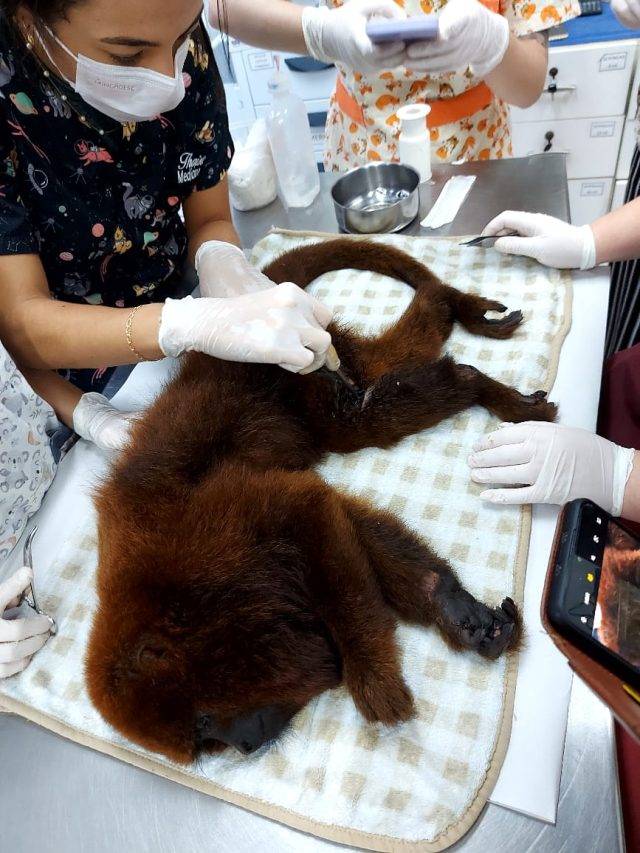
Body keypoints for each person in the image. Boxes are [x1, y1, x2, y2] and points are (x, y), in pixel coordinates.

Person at [0, 0, 336, 414]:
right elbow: (22, 321)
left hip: (179, 291)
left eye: (183, 37)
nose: (169, 79)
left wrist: (221, 261)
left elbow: (210, 217)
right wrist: (180, 326)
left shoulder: (170, 29)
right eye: (127, 55)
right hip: (64, 376)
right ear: (26, 17)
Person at [212, 0, 580, 170]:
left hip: (477, 158)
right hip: (363, 156)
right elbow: (223, 8)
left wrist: (493, 43)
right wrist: (319, 31)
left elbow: (528, 86)